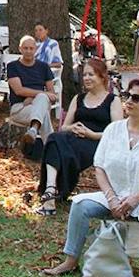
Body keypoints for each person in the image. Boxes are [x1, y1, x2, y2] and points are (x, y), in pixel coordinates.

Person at [43, 79, 139, 277]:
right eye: (126, 95)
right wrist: (112, 197)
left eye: (136, 97)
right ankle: (70, 261)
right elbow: (100, 167)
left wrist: (135, 199)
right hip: (115, 194)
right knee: (80, 204)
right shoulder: (113, 130)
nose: (128, 101)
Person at [35, 57, 114, 213]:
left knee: (59, 146)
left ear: (101, 76)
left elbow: (117, 133)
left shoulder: (112, 100)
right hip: (73, 137)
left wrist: (91, 134)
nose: (86, 78)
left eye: (91, 74)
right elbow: (64, 126)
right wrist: (72, 128)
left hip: (97, 141)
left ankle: (52, 191)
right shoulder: (78, 98)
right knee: (54, 138)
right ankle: (50, 190)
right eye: (84, 75)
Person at [5, 36, 58, 140]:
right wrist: (41, 94)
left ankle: (33, 130)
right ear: (20, 49)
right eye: (25, 48)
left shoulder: (44, 67)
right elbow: (19, 90)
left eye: (31, 48)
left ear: (36, 49)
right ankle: (50, 148)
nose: (28, 51)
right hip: (20, 107)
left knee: (42, 99)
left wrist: (35, 98)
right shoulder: (13, 66)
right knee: (44, 115)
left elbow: (52, 95)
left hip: (39, 104)